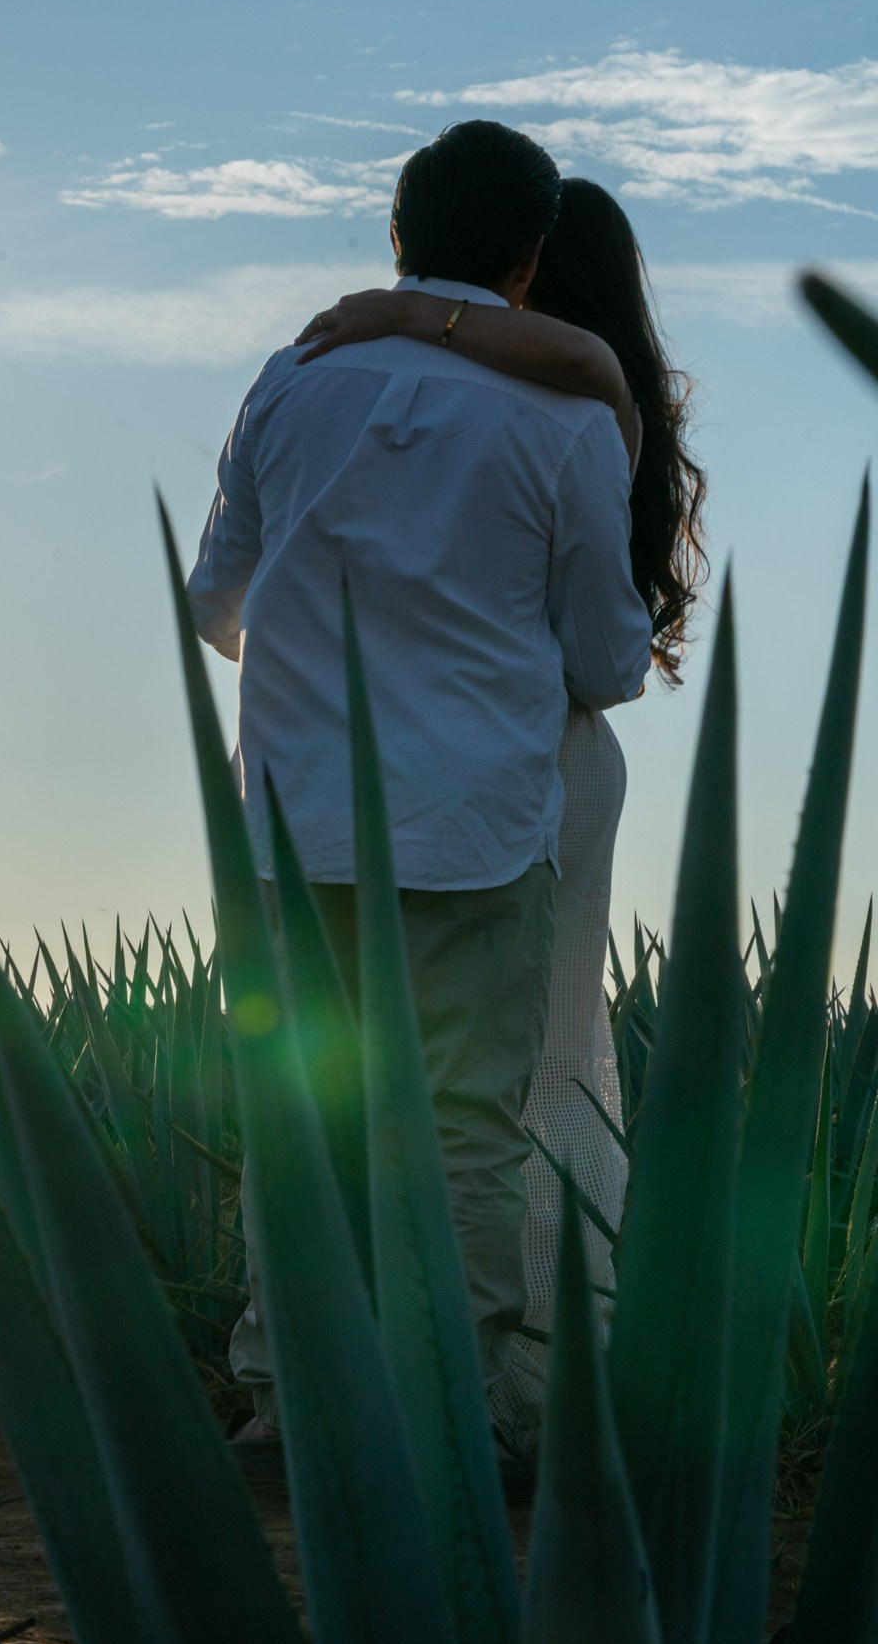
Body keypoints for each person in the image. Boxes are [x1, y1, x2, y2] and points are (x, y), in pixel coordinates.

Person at [187, 121, 657, 1444]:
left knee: (304, 1119)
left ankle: (289, 1400)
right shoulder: (568, 416)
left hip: (294, 817)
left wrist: (324, 653)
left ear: (398, 234)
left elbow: (220, 598)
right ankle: (468, 1415)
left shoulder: (290, 380)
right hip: (476, 829)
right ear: (530, 252)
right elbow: (609, 660)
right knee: (466, 1126)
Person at [290, 177, 708, 1447]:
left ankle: (434, 1368)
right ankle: (509, 1361)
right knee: (530, 1068)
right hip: (536, 758)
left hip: (478, 763)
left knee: (448, 1079)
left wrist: (403, 316)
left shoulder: (536, 404)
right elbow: (607, 660)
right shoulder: (594, 416)